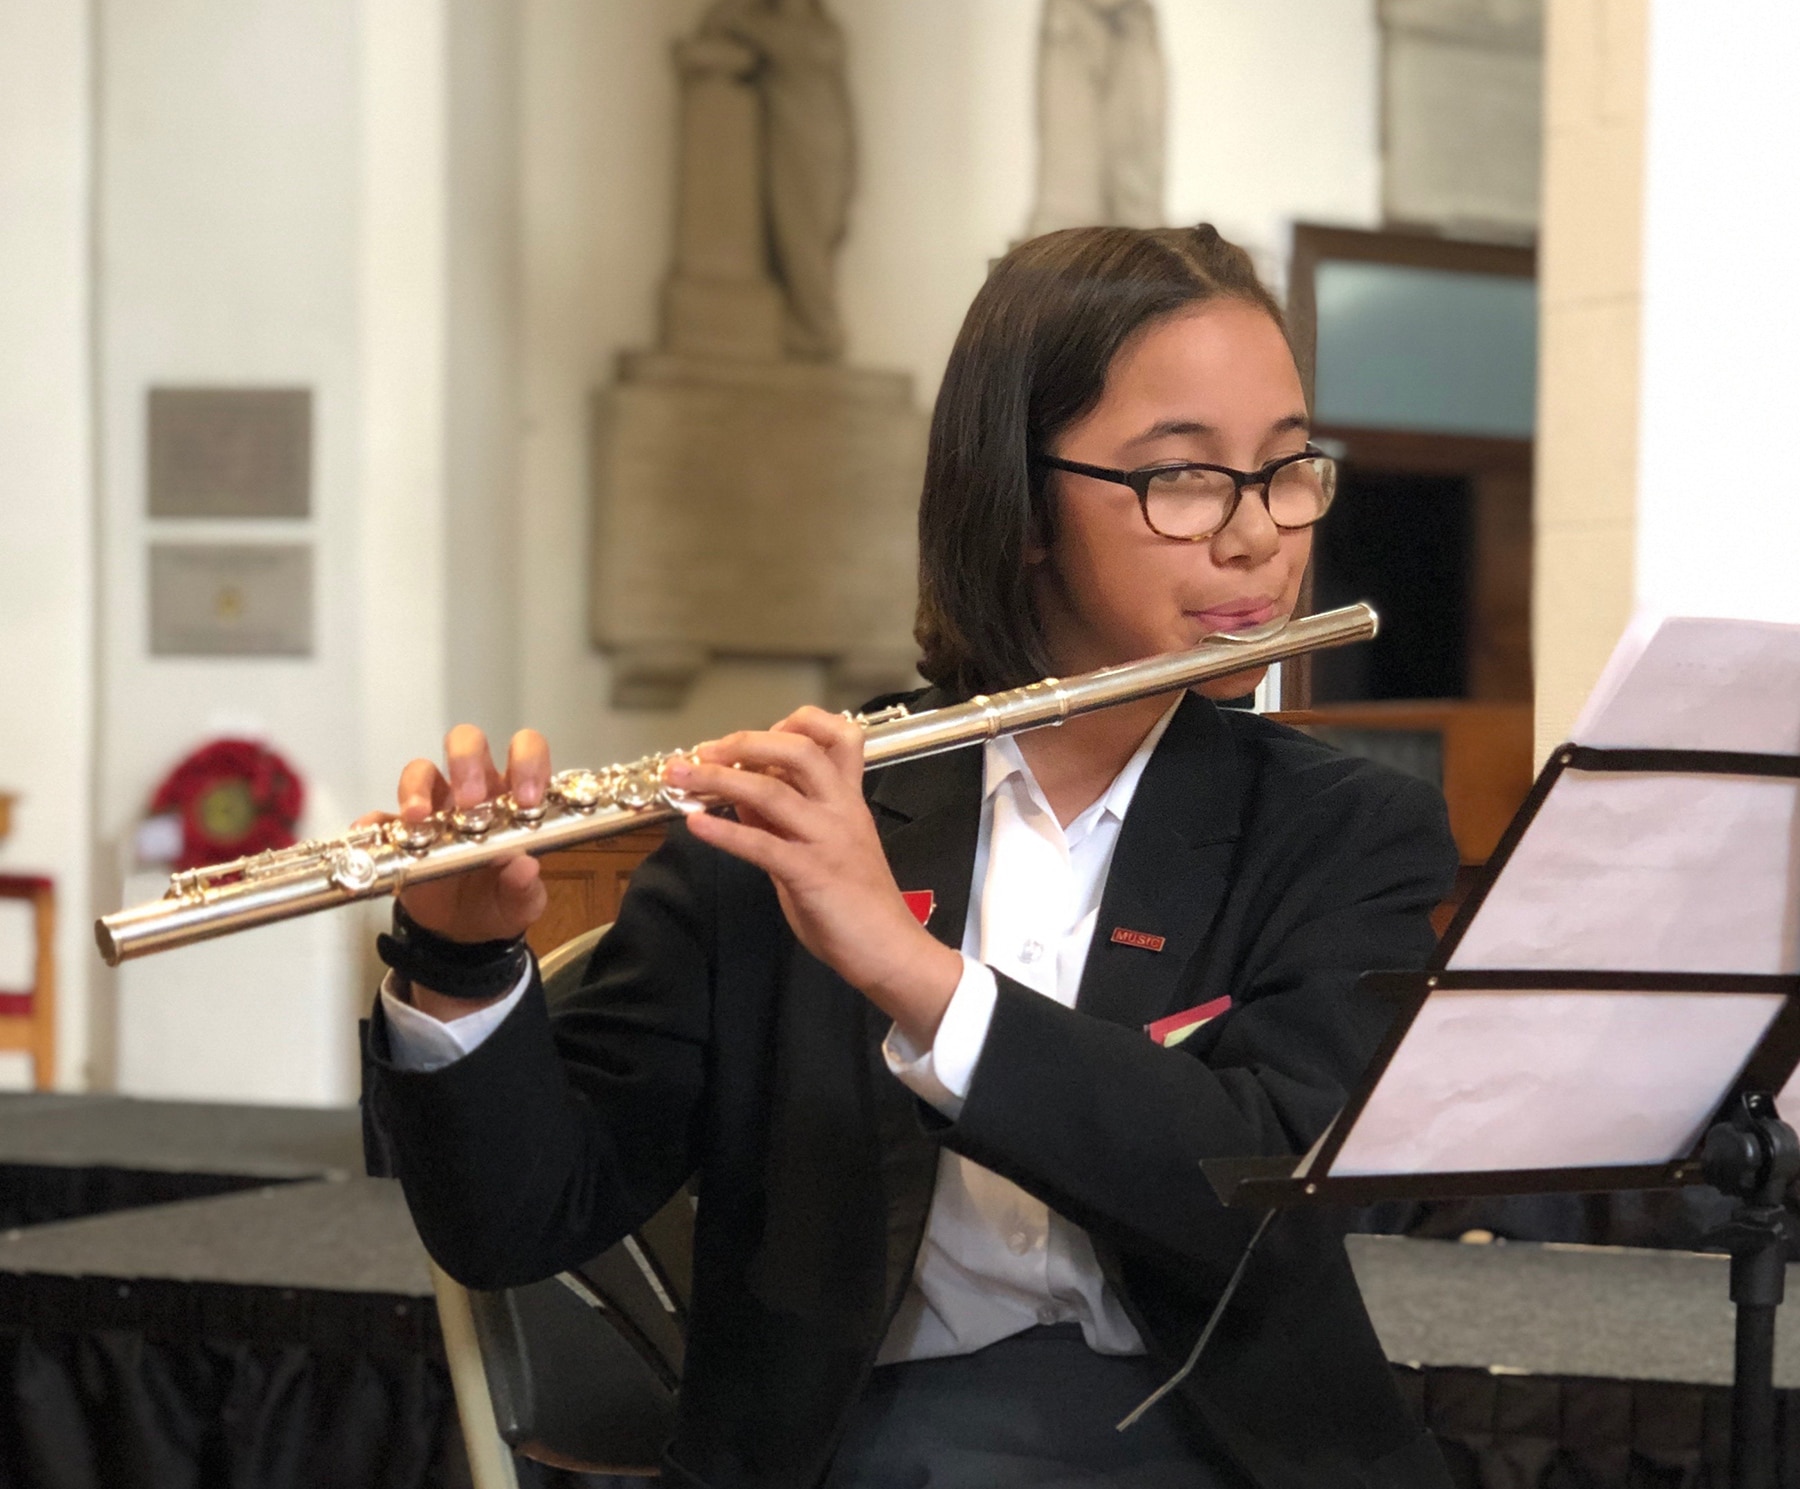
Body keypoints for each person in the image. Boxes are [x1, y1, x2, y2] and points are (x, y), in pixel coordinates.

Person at [361, 224, 1458, 1489]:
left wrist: (908, 969)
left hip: (1216, 1443)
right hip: (866, 1443)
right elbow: (521, 1218)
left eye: (1285, 468)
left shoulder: (1345, 832)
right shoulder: (807, 805)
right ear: (1023, 502)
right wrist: (456, 953)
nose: (1260, 534)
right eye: (1185, 478)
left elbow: (1264, 1186)